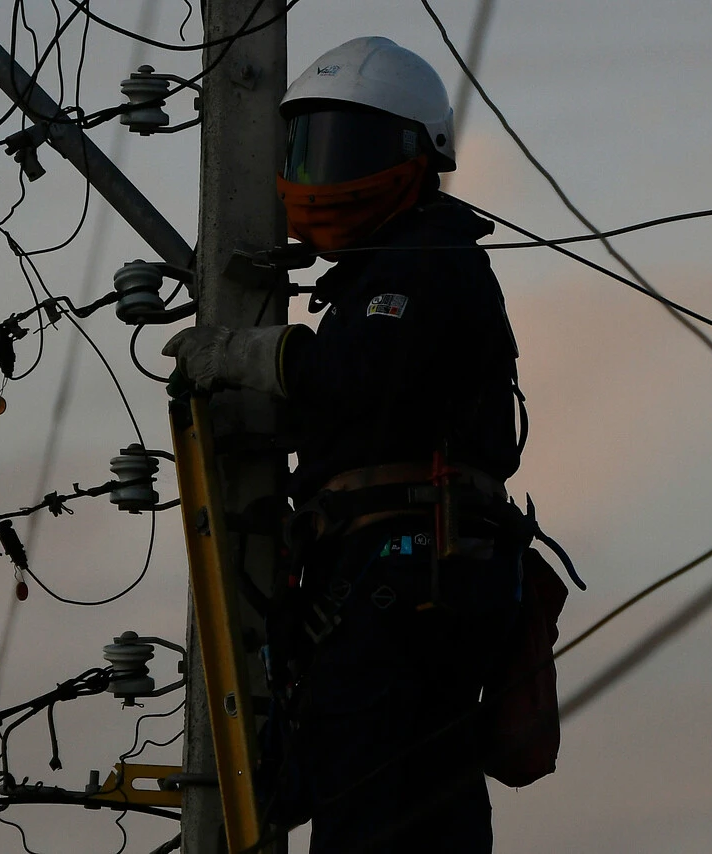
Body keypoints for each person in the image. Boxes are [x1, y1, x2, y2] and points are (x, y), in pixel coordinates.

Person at [163, 37, 540, 853]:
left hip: (403, 584)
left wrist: (248, 356)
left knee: (378, 810)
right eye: (311, 147)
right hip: (380, 589)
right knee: (382, 799)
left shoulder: (429, 257)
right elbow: (350, 403)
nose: (326, 173)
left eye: (351, 149)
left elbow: (357, 373)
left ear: (417, 155)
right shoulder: (375, 277)